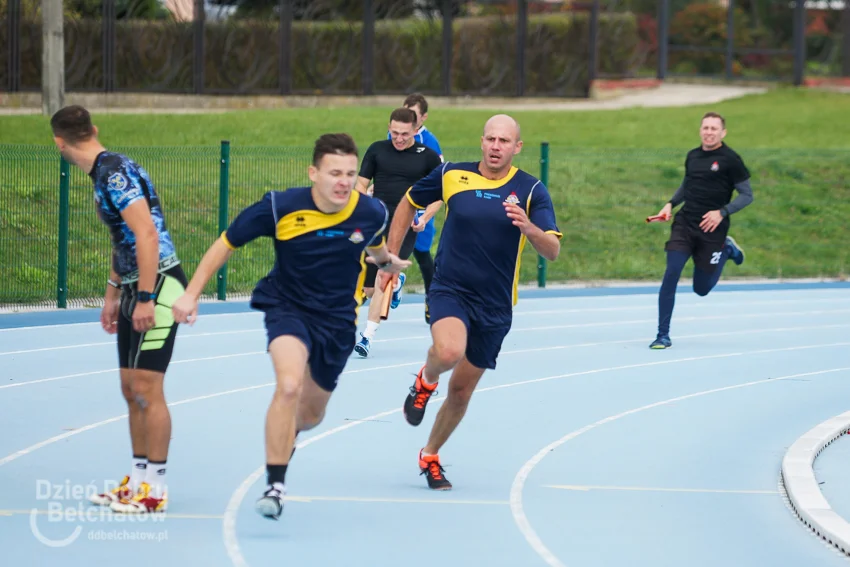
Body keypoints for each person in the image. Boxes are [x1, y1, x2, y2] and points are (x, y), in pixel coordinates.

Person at [171, 133, 410, 520]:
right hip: (288, 308)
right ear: (313, 173)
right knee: (288, 385)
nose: (343, 181)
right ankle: (275, 484)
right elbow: (225, 243)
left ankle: (288, 438)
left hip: (336, 320)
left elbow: (375, 246)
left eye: (350, 173)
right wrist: (191, 293)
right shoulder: (280, 207)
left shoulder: (371, 212)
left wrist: (387, 263)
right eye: (334, 172)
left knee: (311, 415)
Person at [378, 114, 562, 490]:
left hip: (495, 306)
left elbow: (553, 250)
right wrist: (392, 258)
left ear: (517, 147)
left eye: (504, 141)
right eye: (491, 139)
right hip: (451, 288)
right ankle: (424, 381)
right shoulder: (451, 175)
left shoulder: (531, 190)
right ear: (482, 141)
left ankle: (429, 454)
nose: (496, 147)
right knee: (447, 352)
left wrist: (529, 227)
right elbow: (408, 203)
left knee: (461, 392)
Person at [50, 105, 187, 513]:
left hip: (158, 283)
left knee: (148, 387)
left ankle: (156, 491)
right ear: (93, 129)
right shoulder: (104, 172)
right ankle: (138, 478)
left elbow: (145, 233)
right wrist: (113, 293)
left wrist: (145, 297)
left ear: (59, 143)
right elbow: (123, 236)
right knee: (130, 389)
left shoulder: (113, 173)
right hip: (132, 284)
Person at [648, 111, 752, 349]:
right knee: (671, 272)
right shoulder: (693, 156)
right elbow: (688, 184)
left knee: (701, 289)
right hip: (685, 225)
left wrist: (722, 212)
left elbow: (747, 195)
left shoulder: (730, 159)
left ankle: (726, 248)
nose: (709, 132)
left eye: (714, 128)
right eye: (705, 128)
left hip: (712, 230)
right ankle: (662, 335)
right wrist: (670, 204)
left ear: (723, 133)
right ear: (700, 130)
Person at [353, 107, 442, 358]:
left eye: (404, 134)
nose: (399, 138)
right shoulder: (377, 150)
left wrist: (424, 217)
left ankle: (367, 336)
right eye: (394, 133)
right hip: (377, 222)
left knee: (384, 274)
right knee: (369, 289)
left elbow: (440, 195)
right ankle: (398, 281)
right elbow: (361, 184)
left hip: (405, 225)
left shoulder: (428, 156)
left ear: (415, 130)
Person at [387, 93, 444, 323]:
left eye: (414, 116)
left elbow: (439, 182)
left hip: (419, 206)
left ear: (423, 117)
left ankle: (431, 301)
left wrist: (425, 214)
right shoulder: (394, 137)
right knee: (390, 249)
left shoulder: (430, 143)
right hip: (394, 203)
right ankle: (389, 285)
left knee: (421, 254)